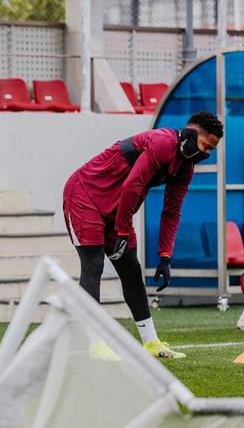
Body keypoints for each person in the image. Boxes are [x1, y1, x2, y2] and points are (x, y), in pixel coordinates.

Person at [63, 111, 223, 359]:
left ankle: (151, 342)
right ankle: (95, 344)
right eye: (206, 146)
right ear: (192, 134)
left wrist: (165, 256)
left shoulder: (186, 168)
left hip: (117, 209)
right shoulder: (162, 142)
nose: (207, 154)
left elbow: (172, 211)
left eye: (212, 150)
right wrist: (123, 230)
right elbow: (132, 185)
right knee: (93, 264)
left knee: (131, 269)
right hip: (84, 196)